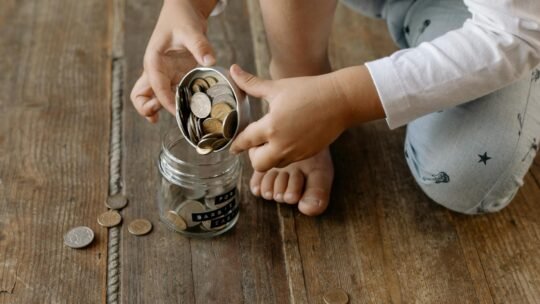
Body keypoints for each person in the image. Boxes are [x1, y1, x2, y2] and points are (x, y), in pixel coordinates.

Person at [131, 0, 540, 216]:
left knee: (467, 174)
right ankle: (300, 70)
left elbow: (514, 32)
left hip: (511, 18)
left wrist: (344, 99)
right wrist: (188, 4)